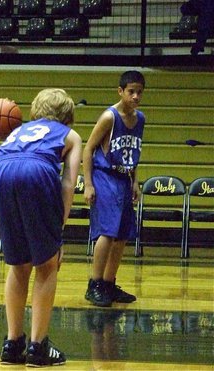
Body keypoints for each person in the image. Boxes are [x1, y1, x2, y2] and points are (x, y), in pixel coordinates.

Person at [0, 89, 82, 367]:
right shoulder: (70, 135)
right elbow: (68, 183)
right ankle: (37, 347)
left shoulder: (19, 129)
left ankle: (12, 343)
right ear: (68, 116)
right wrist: (59, 228)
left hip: (1, 171)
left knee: (19, 265)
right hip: (36, 172)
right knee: (46, 265)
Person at [83, 70, 145, 307]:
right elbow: (88, 149)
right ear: (120, 91)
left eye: (139, 92)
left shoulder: (140, 119)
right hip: (104, 176)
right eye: (131, 91)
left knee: (122, 236)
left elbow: (133, 152)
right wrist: (88, 184)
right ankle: (95, 284)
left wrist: (135, 180)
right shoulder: (109, 117)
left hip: (124, 178)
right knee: (108, 233)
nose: (136, 96)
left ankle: (109, 283)